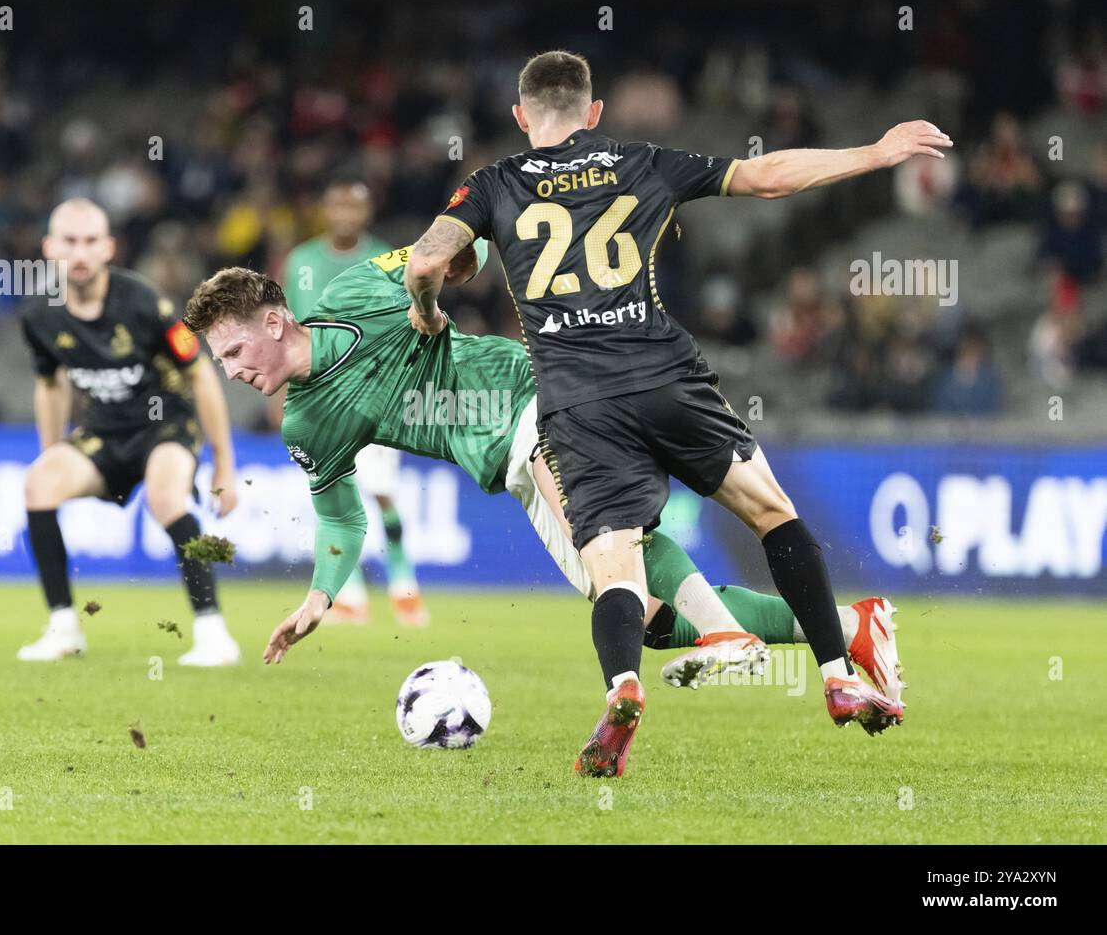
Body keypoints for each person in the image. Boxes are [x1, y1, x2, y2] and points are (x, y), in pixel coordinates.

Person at [402, 50, 946, 775]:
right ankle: (837, 672)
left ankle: (624, 686)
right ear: (594, 113)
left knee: (614, 565)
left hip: (579, 399)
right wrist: (876, 152)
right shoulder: (641, 159)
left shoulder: (491, 184)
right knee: (770, 510)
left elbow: (422, 265)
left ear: (520, 115)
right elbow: (763, 176)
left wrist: (429, 312)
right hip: (667, 375)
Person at [181, 244, 904, 707]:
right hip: (510, 463)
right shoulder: (307, 423)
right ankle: (847, 626)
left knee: (612, 548)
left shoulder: (354, 289)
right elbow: (342, 517)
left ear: (275, 322)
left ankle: (726, 637)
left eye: (236, 350)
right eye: (222, 363)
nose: (234, 370)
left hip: (532, 397)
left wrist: (448, 274)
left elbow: (449, 250)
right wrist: (317, 597)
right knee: (642, 614)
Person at [18, 198, 241, 665]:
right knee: (38, 484)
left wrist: (224, 463)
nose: (79, 253)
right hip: (103, 429)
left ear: (108, 248)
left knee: (166, 498)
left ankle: (213, 633)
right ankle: (63, 629)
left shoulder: (146, 302)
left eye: (90, 241)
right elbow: (50, 384)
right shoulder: (39, 315)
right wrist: (51, 451)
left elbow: (201, 372)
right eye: (69, 242)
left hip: (166, 424)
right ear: (49, 248)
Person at [282, 178, 427, 627]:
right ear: (324, 209)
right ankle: (350, 595)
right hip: (320, 398)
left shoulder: (386, 257)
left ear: (367, 212)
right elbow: (291, 329)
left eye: (354, 206)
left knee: (382, 493)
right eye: (337, 204)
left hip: (377, 391)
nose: (345, 214)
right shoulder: (301, 261)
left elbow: (403, 324)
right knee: (334, 492)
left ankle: (404, 584)